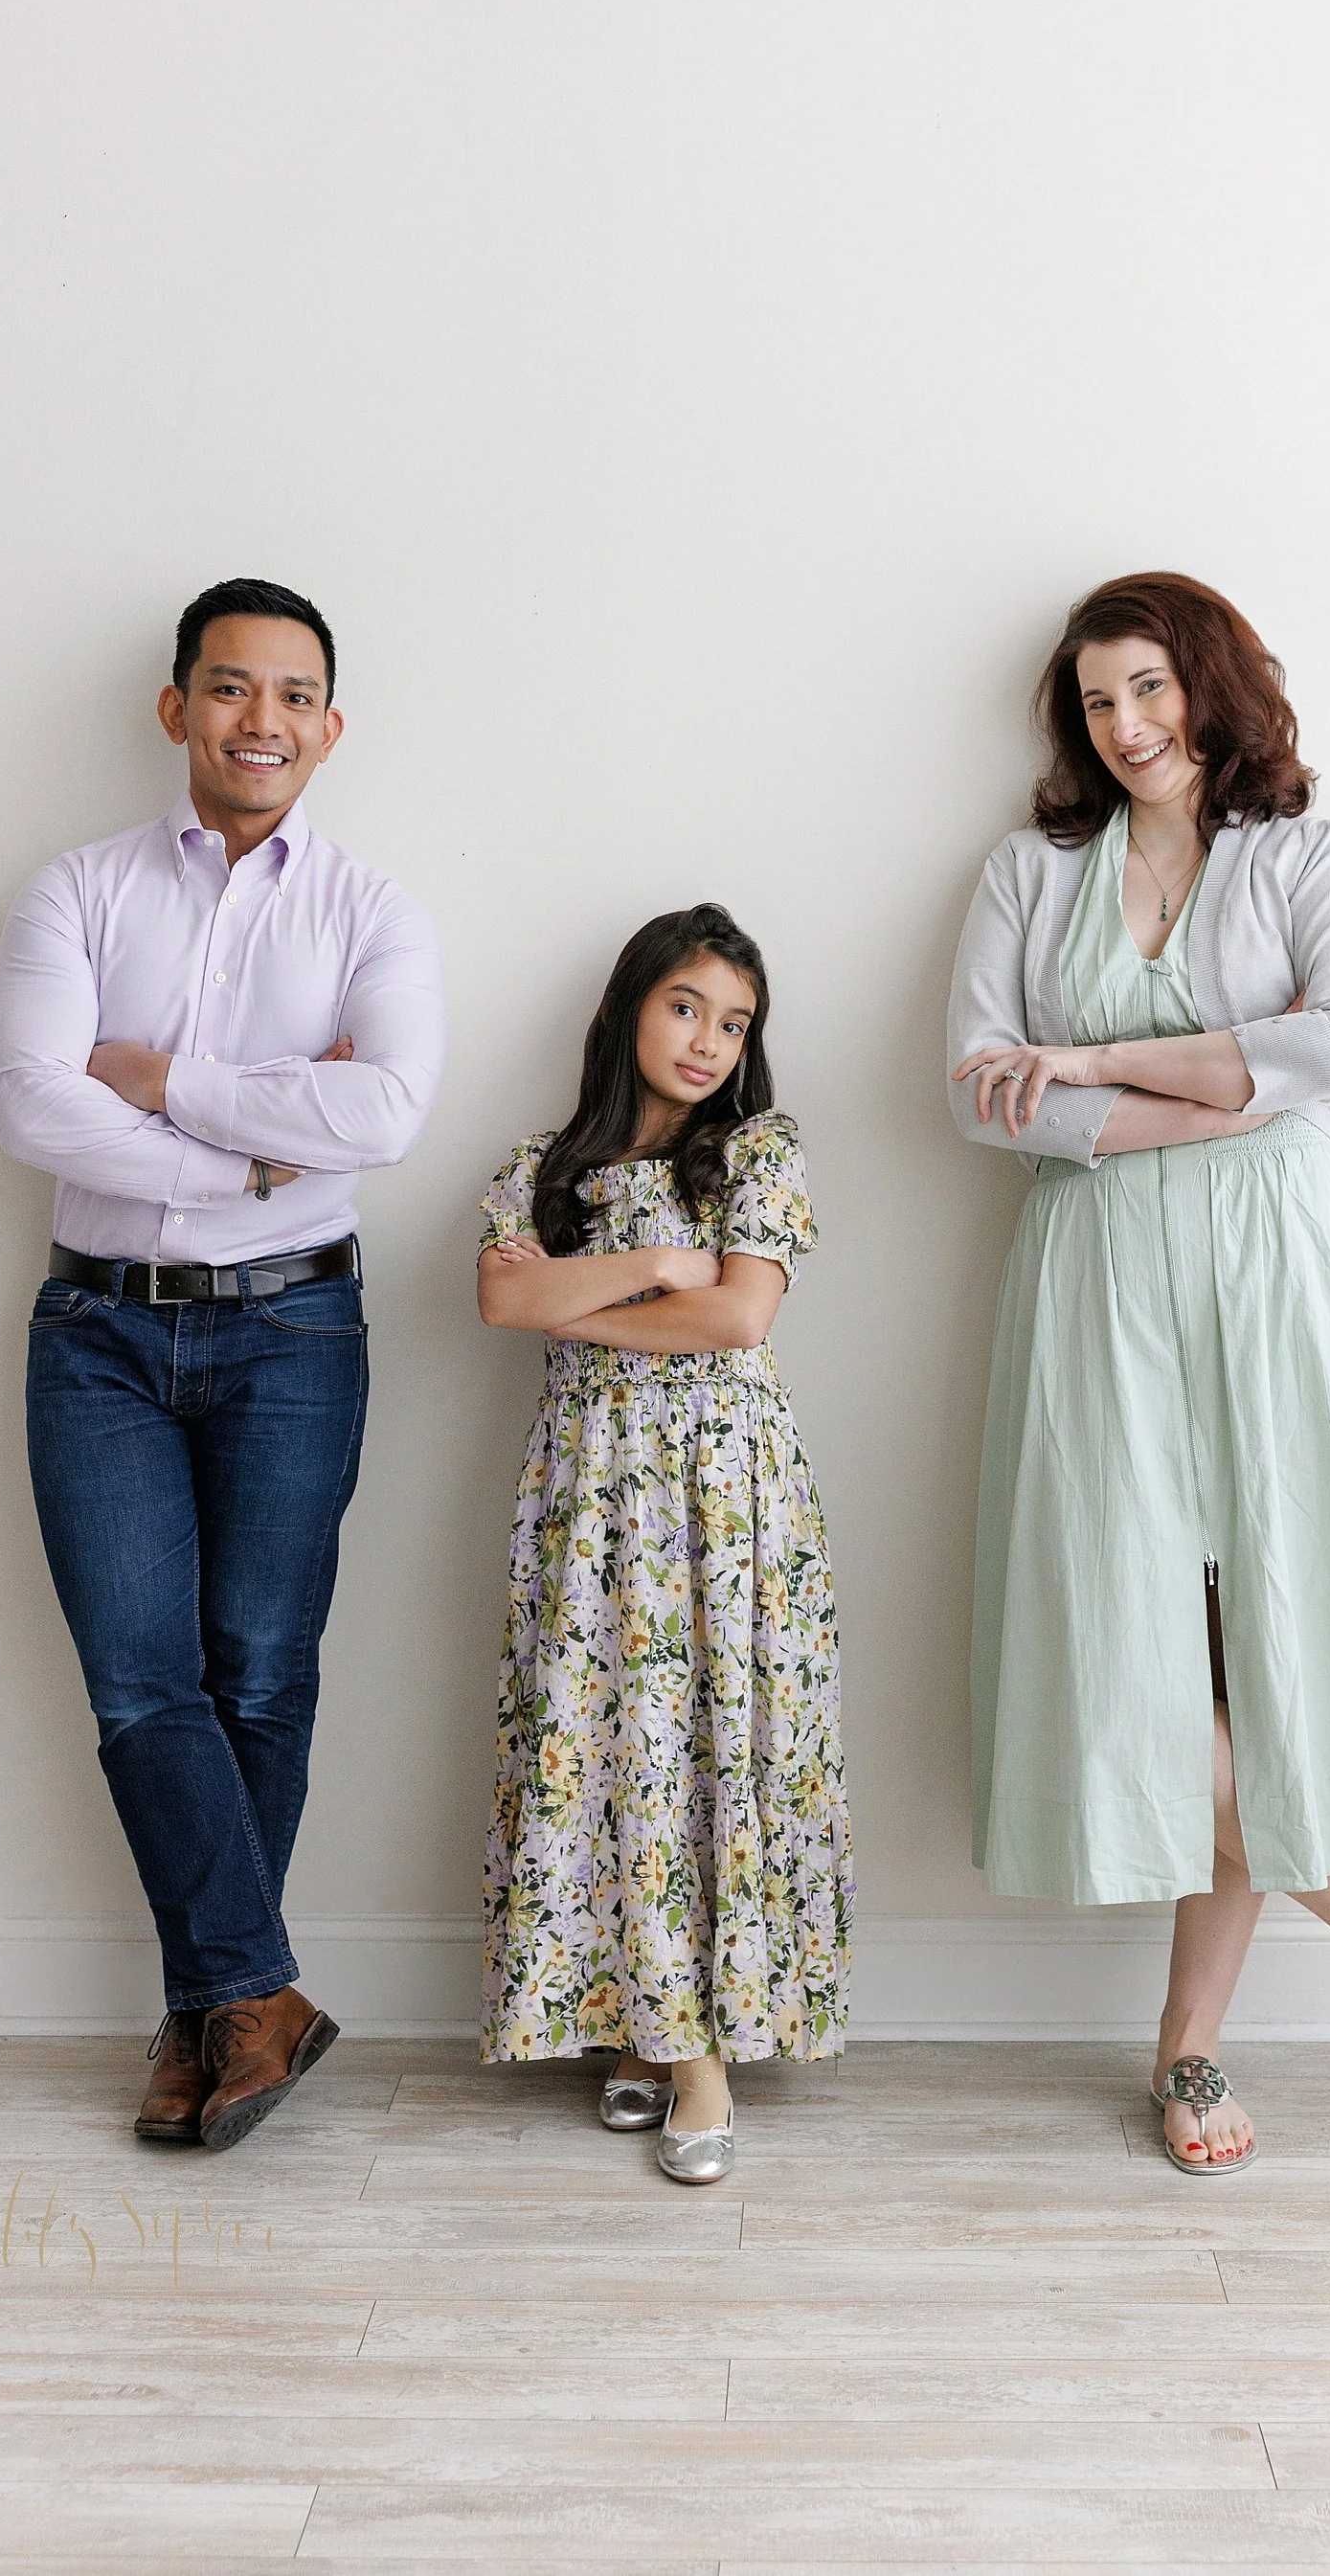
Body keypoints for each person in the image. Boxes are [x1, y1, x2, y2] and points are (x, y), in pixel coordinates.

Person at [948, 572, 1330, 2174]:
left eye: (1148, 688)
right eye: (1095, 700)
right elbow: (982, 1090)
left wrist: (1099, 1060)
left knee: (1275, 1643)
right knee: (1140, 1657)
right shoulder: (1027, 867)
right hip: (1097, 1284)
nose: (1124, 727)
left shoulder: (1306, 854)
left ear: (1208, 683)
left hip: (1286, 1277)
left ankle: (1185, 2047)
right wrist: (1215, 1091)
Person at [0, 577, 443, 2150]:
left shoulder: (370, 910)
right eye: (232, 689)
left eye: (295, 693)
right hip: (97, 1332)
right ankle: (254, 1992)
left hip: (297, 1326)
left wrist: (168, 1087)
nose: (264, 720)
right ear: (178, 708)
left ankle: (208, 2018)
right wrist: (250, 1151)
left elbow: (383, 1117)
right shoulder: (76, 891)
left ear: (330, 724)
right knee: (137, 1680)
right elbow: (34, 1105)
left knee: (260, 1670)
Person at [475, 905, 851, 2184]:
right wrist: (659, 1264)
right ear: (629, 1006)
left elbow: (740, 1318)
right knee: (606, 1746)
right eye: (685, 1004)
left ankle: (701, 2053)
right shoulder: (541, 1166)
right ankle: (635, 2019)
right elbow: (500, 1297)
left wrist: (593, 1299)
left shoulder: (760, 1149)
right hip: (590, 1489)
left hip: (723, 1495)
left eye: (733, 1020)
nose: (706, 1038)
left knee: (706, 1742)